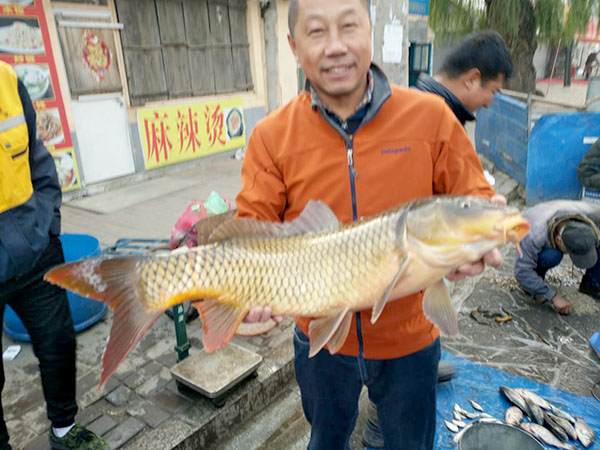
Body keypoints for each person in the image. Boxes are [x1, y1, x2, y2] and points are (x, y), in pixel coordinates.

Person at [236, 0, 503, 448]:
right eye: (317, 32)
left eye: (348, 26)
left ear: (370, 30)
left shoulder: (431, 117)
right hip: (320, 342)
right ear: (293, 46)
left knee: (408, 442)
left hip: (410, 340)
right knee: (326, 439)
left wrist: (478, 227)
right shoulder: (270, 136)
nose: (336, 46)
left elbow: (471, 194)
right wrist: (247, 287)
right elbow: (253, 226)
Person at [358, 28, 515, 450]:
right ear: (472, 78)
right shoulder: (422, 120)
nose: (490, 102)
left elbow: (473, 198)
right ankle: (376, 426)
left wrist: (485, 209)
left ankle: (379, 422)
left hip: (410, 305)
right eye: (493, 92)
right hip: (386, 310)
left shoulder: (443, 119)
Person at [0, 61, 105, 449]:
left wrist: (48, 224)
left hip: (33, 249)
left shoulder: (7, 80)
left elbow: (37, 159)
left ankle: (64, 430)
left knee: (58, 341)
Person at [514, 200, 600, 316]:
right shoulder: (534, 234)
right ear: (559, 240)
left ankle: (592, 284)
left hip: (558, 209)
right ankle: (536, 280)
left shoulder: (592, 215)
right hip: (533, 219)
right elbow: (521, 272)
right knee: (552, 256)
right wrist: (552, 296)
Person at [415, 29, 513, 126]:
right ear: (471, 79)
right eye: (493, 91)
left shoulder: (412, 107)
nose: (488, 104)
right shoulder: (441, 128)